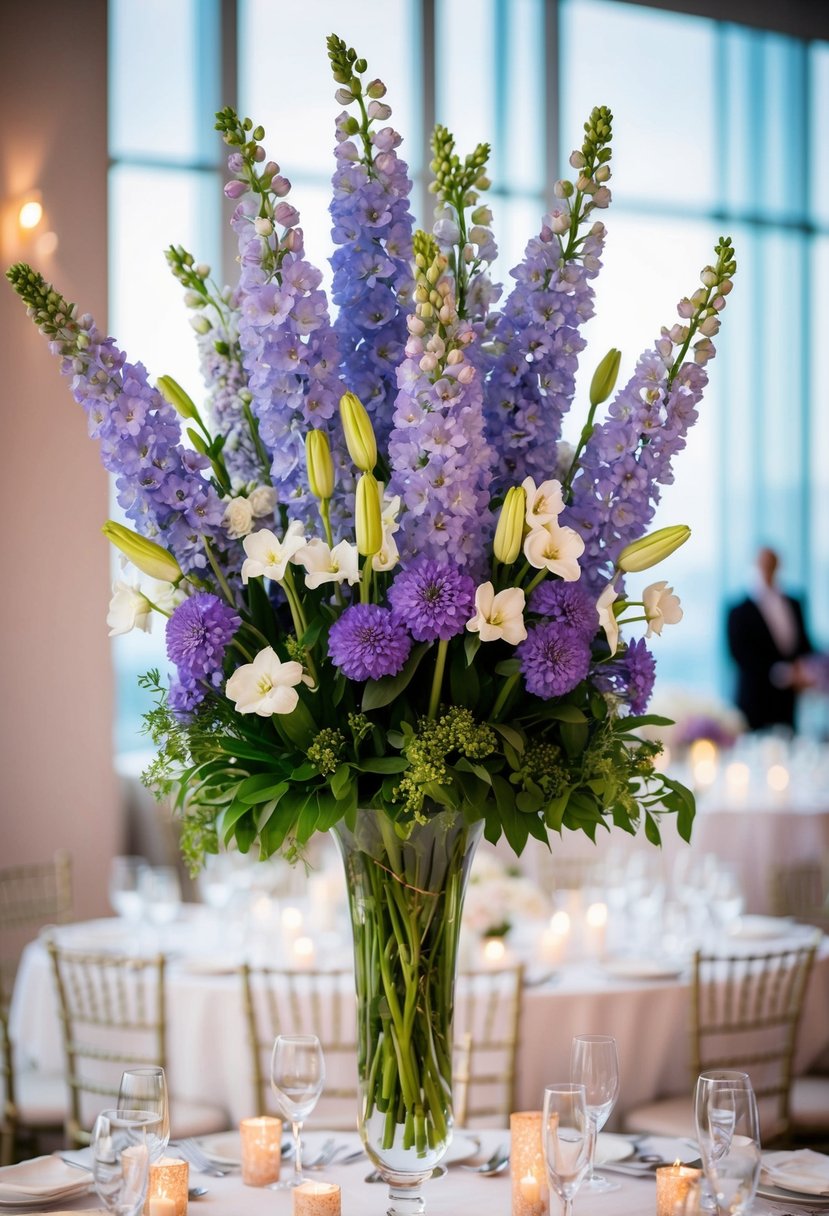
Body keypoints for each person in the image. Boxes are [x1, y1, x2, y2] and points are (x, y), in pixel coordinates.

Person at [726, 547, 815, 732]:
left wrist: (808, 670)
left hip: (787, 703)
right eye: (764, 564)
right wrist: (783, 672)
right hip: (754, 700)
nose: (768, 568)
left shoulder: (794, 602)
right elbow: (738, 654)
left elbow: (804, 644)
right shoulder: (738, 610)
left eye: (772, 564)